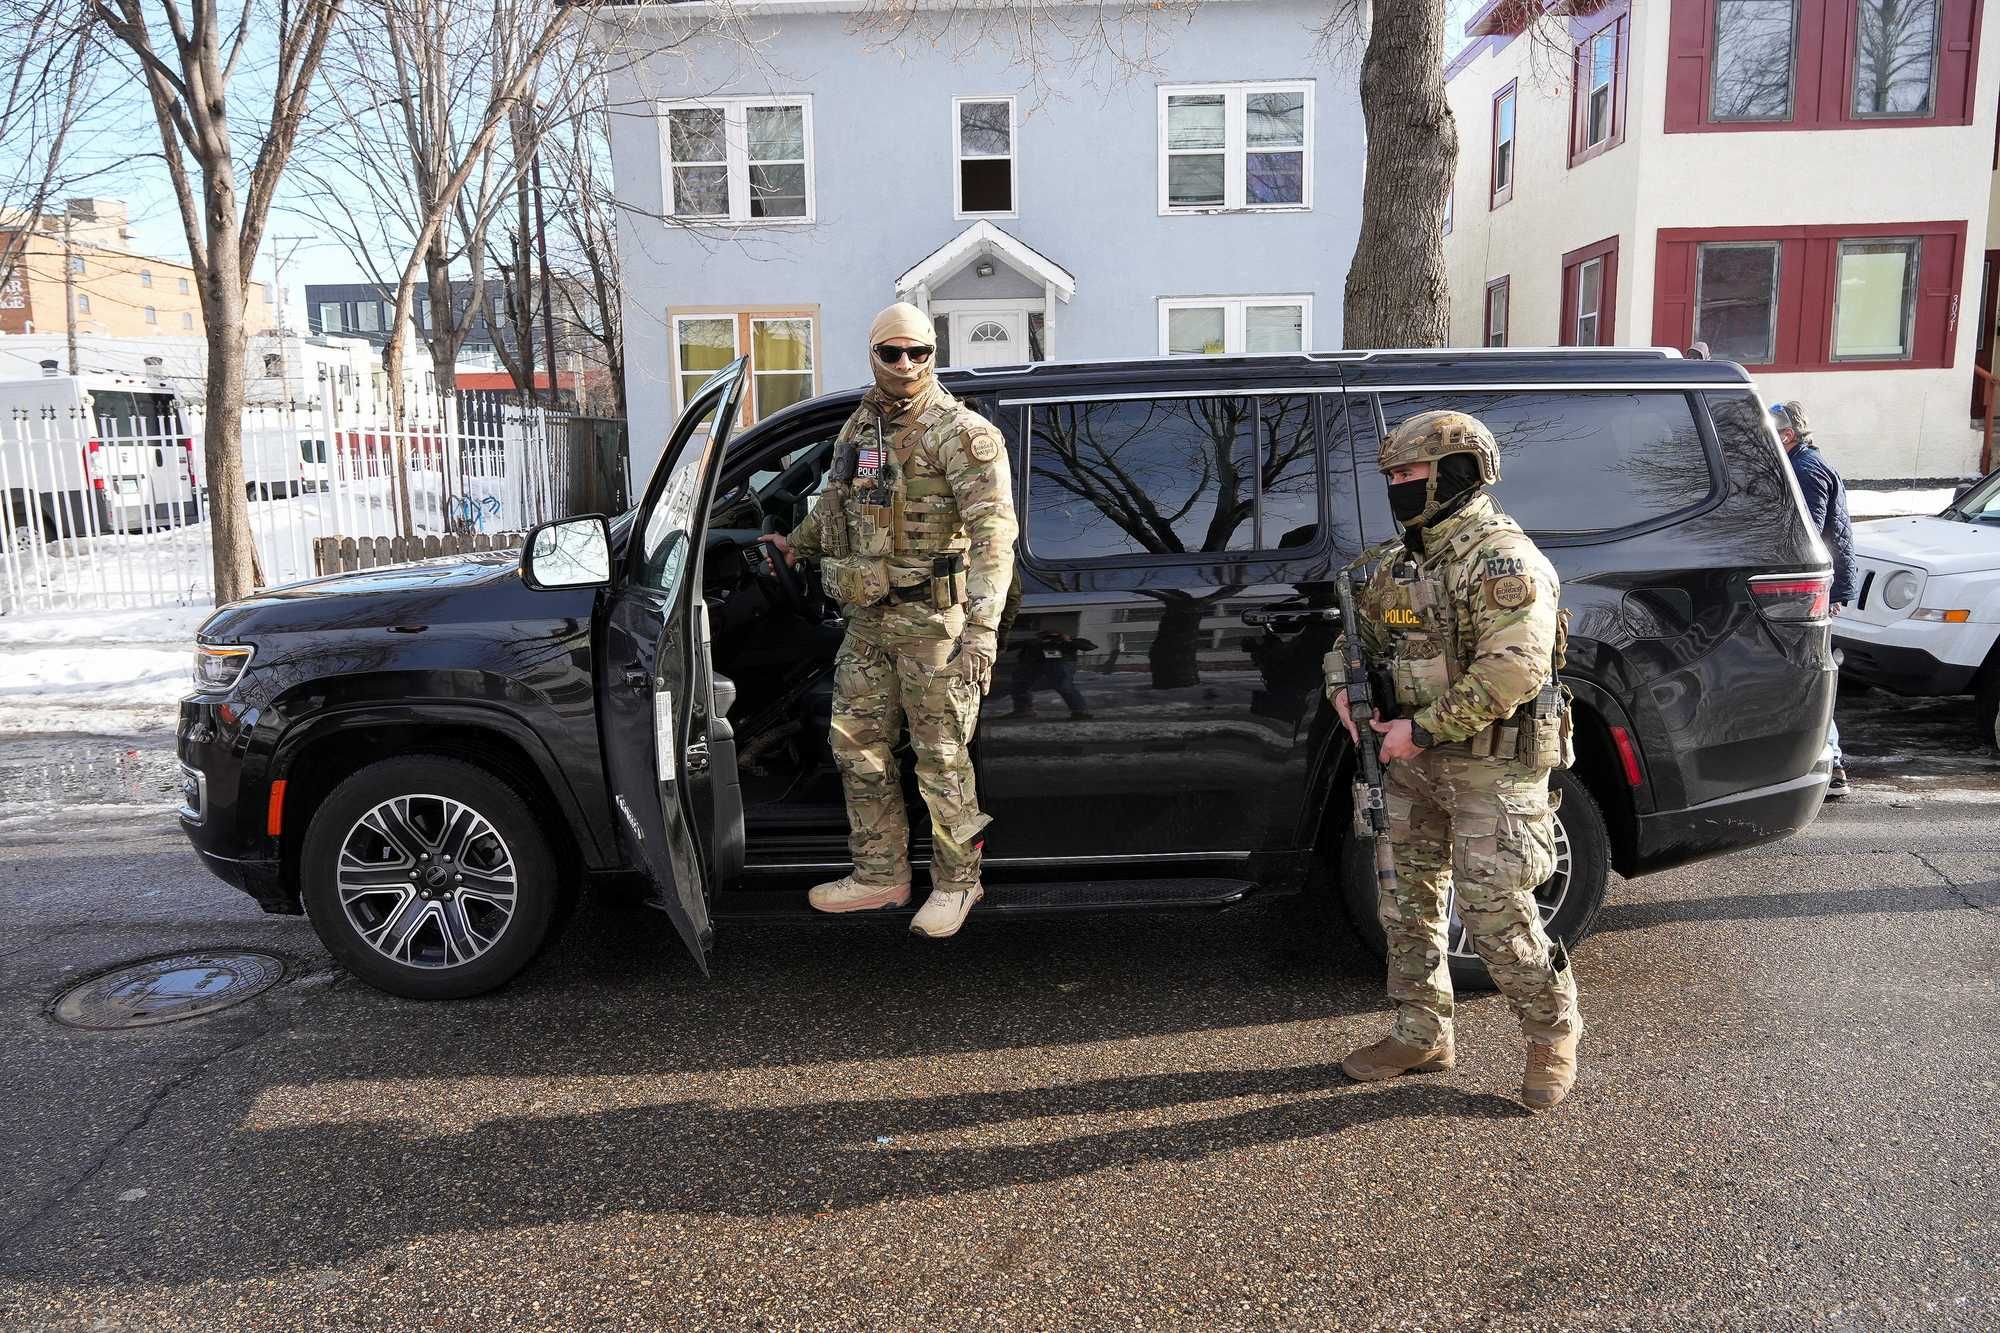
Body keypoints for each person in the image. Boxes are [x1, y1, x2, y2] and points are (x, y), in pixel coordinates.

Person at [1324, 409, 1584, 1110]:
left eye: (1410, 473)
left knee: (1495, 912)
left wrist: (1423, 728)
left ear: (1456, 472)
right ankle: (1422, 1032)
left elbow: (1513, 670)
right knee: (1405, 905)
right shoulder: (1395, 564)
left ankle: (1552, 1031)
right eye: (1392, 477)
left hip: (1489, 765)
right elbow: (1354, 643)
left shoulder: (1502, 561)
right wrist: (1344, 691)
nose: (1399, 487)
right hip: (1408, 761)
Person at [760, 303, 1017, 938]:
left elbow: (994, 536)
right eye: (891, 352)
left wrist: (982, 629)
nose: (905, 364)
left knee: (942, 762)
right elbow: (836, 504)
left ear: (933, 354)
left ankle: (958, 883)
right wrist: (797, 547)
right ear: (873, 354)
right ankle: (880, 875)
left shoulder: (960, 433)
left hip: (935, 627)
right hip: (869, 623)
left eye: (918, 352)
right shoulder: (861, 426)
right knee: (856, 750)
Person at [1772, 400, 1856, 797]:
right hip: (1818, 586)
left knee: (1809, 671)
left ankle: (1832, 764)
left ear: (1788, 435)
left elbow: (1807, 533)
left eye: (1773, 432)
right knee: (1805, 670)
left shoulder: (1807, 470)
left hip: (1815, 589)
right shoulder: (1801, 464)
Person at [1009, 628, 1096, 719]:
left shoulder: (1068, 642)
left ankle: (1080, 711)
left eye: (1051, 636)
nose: (1049, 639)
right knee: (1020, 685)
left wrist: (1068, 640)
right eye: (1045, 637)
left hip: (1060, 662)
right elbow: (1012, 646)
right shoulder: (1036, 643)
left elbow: (1090, 646)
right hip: (1038, 663)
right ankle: (1023, 710)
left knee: (1064, 685)